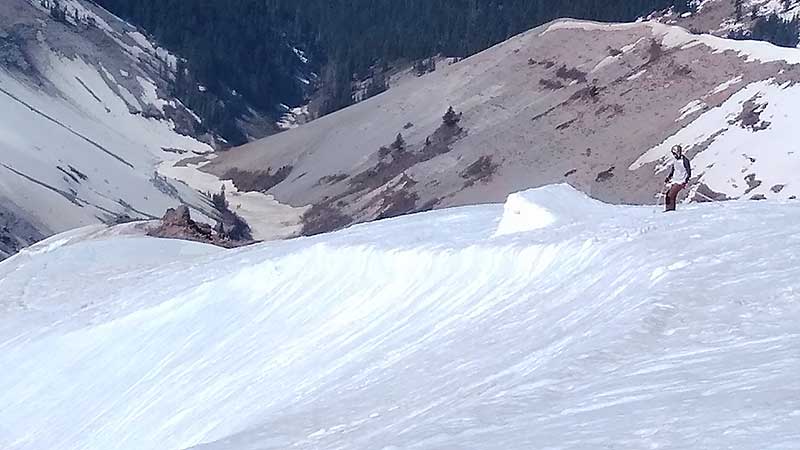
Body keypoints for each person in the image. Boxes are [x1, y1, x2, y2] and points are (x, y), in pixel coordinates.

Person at [664, 144, 691, 212]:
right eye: (673, 154)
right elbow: (673, 170)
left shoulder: (685, 161)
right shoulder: (675, 160)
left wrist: (685, 181)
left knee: (670, 195)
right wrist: (669, 177)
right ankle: (670, 209)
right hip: (675, 180)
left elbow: (689, 172)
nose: (674, 155)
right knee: (668, 194)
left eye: (675, 154)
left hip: (681, 181)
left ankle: (670, 210)